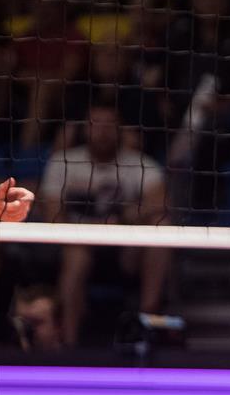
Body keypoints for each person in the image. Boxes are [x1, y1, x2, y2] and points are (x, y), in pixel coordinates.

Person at [37, 102, 169, 347]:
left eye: (109, 124)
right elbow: (53, 214)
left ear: (121, 130)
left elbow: (159, 203)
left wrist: (122, 220)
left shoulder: (140, 163)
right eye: (96, 124)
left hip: (125, 248)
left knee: (161, 230)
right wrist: (87, 230)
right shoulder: (63, 162)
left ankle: (145, 324)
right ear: (84, 129)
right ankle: (68, 343)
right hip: (76, 244)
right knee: (77, 255)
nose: (103, 131)